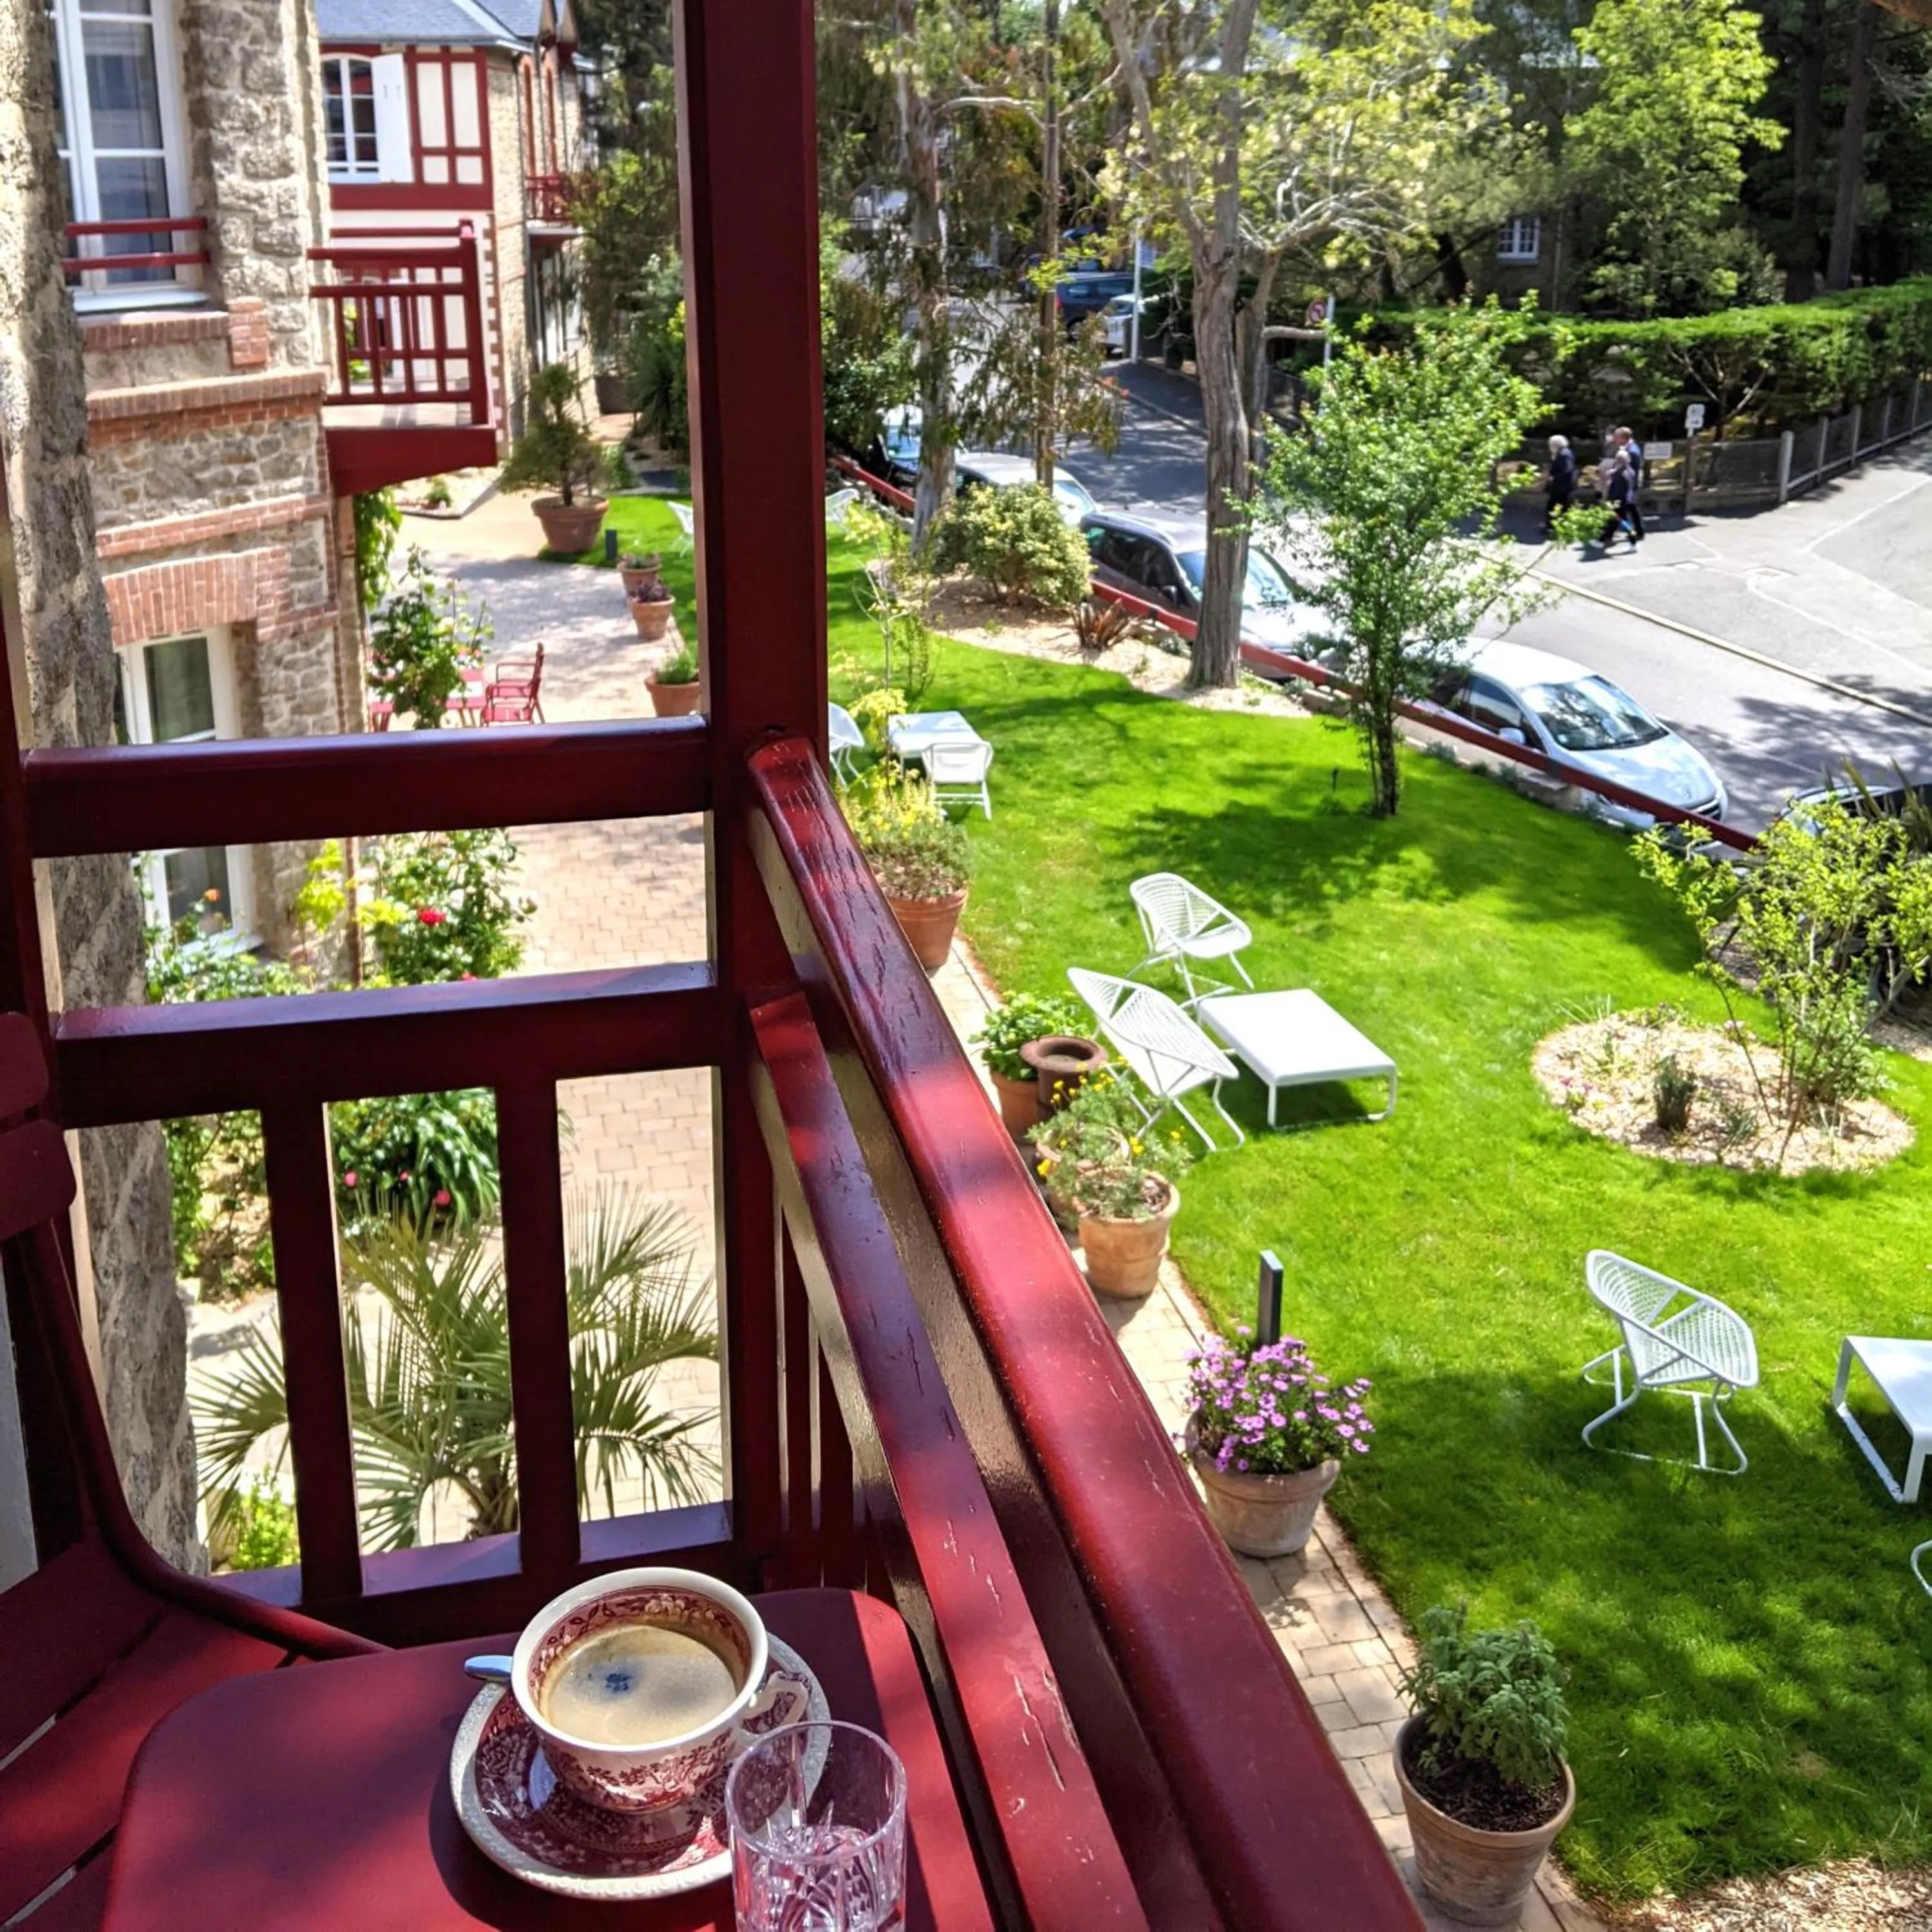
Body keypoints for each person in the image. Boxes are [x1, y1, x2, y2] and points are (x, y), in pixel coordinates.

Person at [1614, 426, 1645, 544]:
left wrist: (1631, 488)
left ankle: (1635, 533)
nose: (1615, 439)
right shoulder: (1629, 448)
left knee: (1625, 511)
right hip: (1628, 487)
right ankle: (1637, 531)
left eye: (1617, 437)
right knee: (1631, 510)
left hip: (1628, 487)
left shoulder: (1632, 451)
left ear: (1623, 438)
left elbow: (1634, 471)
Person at [1600, 451, 1636, 551]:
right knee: (1614, 521)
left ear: (1617, 461)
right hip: (1627, 500)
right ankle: (1602, 539)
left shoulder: (1619, 475)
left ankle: (1633, 543)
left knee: (1624, 523)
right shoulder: (1630, 471)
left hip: (1619, 502)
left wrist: (1610, 502)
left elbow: (1616, 491)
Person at [1544, 434, 1577, 538]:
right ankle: (1556, 527)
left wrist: (1554, 477)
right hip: (1562, 486)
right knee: (1560, 506)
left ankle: (1552, 528)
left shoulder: (1564, 455)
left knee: (1554, 506)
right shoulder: (1564, 453)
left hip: (1562, 486)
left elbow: (1567, 471)